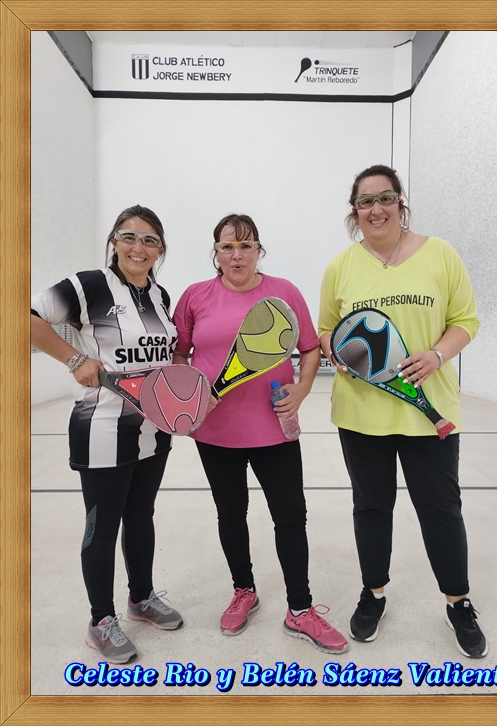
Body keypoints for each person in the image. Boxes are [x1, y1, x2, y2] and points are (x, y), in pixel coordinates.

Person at [318, 165, 487, 658]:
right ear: (355, 211)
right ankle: (373, 594)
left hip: (429, 413)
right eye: (365, 202)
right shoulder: (341, 266)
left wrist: (436, 354)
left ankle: (458, 602)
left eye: (385, 198)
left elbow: (466, 319)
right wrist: (337, 354)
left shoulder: (441, 254)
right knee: (371, 507)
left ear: (400, 202)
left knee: (441, 509)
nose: (376, 209)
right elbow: (327, 329)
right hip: (361, 414)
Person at [172, 213, 348, 654]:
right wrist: (192, 394)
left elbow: (309, 348)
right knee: (231, 514)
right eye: (228, 246)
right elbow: (179, 354)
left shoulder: (284, 292)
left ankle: (300, 609)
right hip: (215, 432)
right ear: (216, 252)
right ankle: (243, 591)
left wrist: (302, 389)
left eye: (246, 246)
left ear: (258, 251)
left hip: (275, 428)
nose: (237, 255)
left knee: (290, 516)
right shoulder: (195, 296)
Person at [31, 205, 183, 665]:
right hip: (101, 428)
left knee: (141, 516)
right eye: (129, 236)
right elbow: (24, 316)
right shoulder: (89, 285)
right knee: (103, 527)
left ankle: (141, 598)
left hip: (153, 429)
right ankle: (100, 620)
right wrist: (74, 359)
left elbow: (165, 359)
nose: (139, 247)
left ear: (160, 249)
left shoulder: (161, 296)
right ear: (114, 241)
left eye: (150, 240)